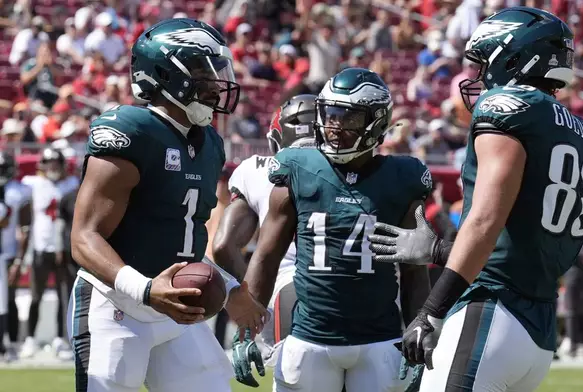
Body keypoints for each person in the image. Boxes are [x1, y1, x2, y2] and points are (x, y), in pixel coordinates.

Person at [368, 7, 583, 391]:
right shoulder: (581, 131)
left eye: (482, 64)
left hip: (492, 312)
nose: (477, 77)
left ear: (513, 57)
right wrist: (441, 251)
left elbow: (485, 220)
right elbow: (524, 237)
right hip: (536, 329)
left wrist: (431, 311)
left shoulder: (508, 106)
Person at [67, 19, 268, 392]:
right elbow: (83, 237)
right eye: (201, 71)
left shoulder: (209, 143)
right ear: (164, 73)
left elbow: (181, 242)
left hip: (174, 310)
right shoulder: (131, 130)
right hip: (116, 304)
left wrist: (229, 287)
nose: (214, 83)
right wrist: (144, 290)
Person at [244, 67, 432, 392]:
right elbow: (265, 256)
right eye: (330, 115)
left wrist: (420, 325)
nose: (335, 127)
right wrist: (247, 331)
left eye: (349, 119)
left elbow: (414, 268)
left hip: (380, 339)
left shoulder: (403, 177)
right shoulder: (298, 167)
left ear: (376, 123)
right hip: (309, 338)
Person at [213, 94, 317, 387]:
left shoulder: (257, 169)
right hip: (355, 291)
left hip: (284, 290)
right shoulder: (358, 170)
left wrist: (250, 304)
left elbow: (223, 246)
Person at [20, 147, 78, 360]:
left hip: (63, 248)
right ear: (41, 165)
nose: (53, 167)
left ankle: (61, 339)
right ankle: (30, 338)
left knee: (65, 296)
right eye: (49, 163)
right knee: (36, 295)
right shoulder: (33, 184)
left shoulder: (71, 185)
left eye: (56, 163)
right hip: (40, 247)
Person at [0, 152, 31, 361]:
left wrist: (19, 260)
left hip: (8, 253)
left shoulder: (19, 191)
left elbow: (24, 228)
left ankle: (10, 343)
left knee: (9, 300)